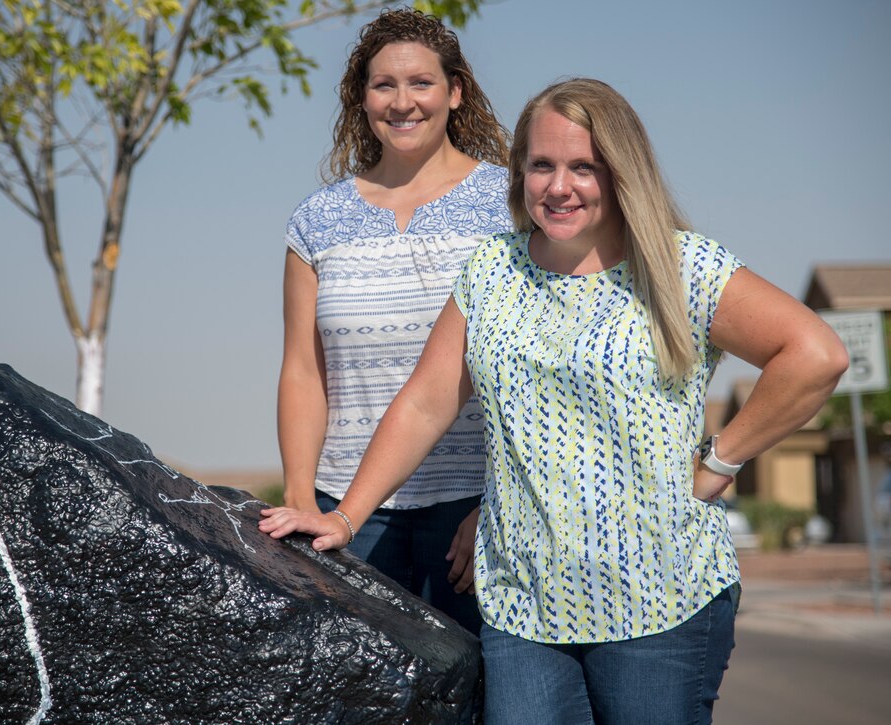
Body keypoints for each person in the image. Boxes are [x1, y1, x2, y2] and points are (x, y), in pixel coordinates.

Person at [262, 78, 849, 723]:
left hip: (661, 598)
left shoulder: (680, 268)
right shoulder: (493, 269)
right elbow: (427, 402)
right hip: (524, 605)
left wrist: (719, 462)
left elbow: (814, 356)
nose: (559, 186)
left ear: (622, 173)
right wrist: (345, 517)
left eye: (583, 167)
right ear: (520, 174)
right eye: (542, 165)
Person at [276, 8, 510, 633]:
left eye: (421, 83)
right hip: (349, 511)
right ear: (362, 97)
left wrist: (502, 502)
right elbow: (303, 369)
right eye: (384, 85)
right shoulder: (316, 220)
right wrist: (302, 492)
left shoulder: (512, 205)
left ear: (455, 92)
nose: (402, 102)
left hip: (476, 506)